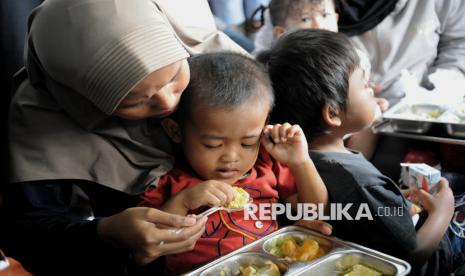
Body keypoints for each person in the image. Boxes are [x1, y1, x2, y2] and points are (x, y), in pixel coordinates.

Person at [0, 0, 246, 274]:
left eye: (173, 75)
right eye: (135, 101)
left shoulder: (209, 56)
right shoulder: (43, 122)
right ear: (86, 100)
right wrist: (105, 232)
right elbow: (27, 234)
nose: (167, 103)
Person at [258, 29, 461, 274]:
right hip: (437, 256)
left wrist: (393, 200)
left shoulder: (298, 164)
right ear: (332, 113)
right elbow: (409, 257)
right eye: (364, 85)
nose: (373, 88)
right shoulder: (361, 184)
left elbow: (364, 213)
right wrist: (443, 212)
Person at [140, 52, 329, 274]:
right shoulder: (168, 183)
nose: (231, 157)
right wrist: (184, 202)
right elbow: (147, 247)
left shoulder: (266, 166)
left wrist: (300, 162)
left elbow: (315, 212)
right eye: (213, 145)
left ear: (264, 125)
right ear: (175, 130)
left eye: (248, 143)